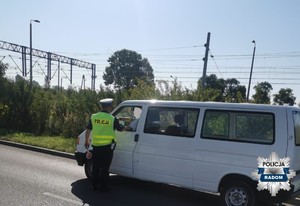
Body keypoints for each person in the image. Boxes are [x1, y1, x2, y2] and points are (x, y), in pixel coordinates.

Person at [84, 98, 124, 192]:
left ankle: (94, 185)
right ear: (109, 107)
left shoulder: (94, 117)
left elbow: (88, 130)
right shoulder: (112, 119)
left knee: (96, 167)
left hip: (96, 147)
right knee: (105, 168)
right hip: (107, 147)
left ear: (101, 106)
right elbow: (120, 129)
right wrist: (125, 127)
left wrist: (86, 141)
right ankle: (103, 186)